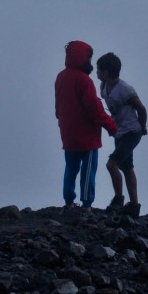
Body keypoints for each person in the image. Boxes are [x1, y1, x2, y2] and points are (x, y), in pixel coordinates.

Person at [54, 40, 117, 210]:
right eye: (88, 58)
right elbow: (94, 109)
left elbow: (58, 106)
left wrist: (61, 121)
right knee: (88, 169)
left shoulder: (61, 77)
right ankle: (86, 203)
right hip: (87, 136)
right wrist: (111, 126)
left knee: (70, 168)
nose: (90, 62)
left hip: (68, 134)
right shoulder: (84, 81)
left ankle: (68, 201)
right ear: (82, 58)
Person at [96, 53, 148, 217]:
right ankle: (134, 205)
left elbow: (141, 109)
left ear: (106, 72)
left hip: (132, 132)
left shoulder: (125, 89)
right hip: (119, 132)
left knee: (111, 165)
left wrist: (142, 126)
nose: (96, 72)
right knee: (127, 167)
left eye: (99, 70)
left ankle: (118, 199)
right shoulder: (103, 87)